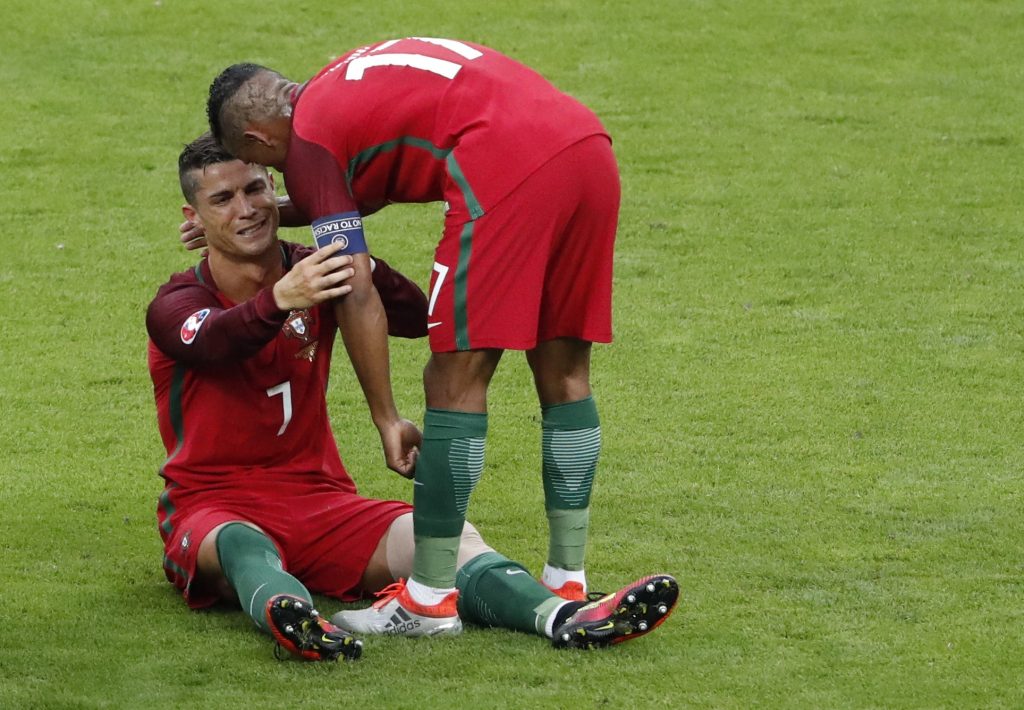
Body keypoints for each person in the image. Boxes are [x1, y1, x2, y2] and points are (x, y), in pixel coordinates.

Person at [147, 133, 678, 661]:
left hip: (321, 500)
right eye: (223, 199)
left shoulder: (313, 272)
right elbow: (216, 340)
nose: (247, 209)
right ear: (193, 216)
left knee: (438, 538)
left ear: (277, 192)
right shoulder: (177, 303)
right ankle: (293, 615)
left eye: (256, 189)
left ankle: (566, 617)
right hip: (210, 506)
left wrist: (352, 258)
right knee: (244, 545)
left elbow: (412, 314)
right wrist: (280, 298)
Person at [202, 37, 621, 633]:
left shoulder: (307, 143)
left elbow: (354, 282)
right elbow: (350, 192)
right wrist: (274, 214)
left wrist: (385, 417)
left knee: (453, 376)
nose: (273, 177)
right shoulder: (342, 85)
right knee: (564, 370)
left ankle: (427, 598)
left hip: (504, 167)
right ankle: (567, 579)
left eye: (265, 172)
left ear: (259, 140)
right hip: (585, 146)